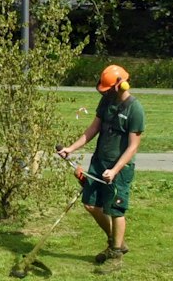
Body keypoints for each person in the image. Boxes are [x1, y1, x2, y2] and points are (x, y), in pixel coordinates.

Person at [56, 64, 144, 264]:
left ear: (120, 85)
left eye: (107, 89)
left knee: (115, 210)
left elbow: (132, 147)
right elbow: (93, 129)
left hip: (119, 169)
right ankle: (116, 242)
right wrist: (71, 148)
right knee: (90, 204)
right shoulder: (106, 101)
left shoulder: (135, 109)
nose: (104, 93)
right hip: (99, 161)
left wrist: (114, 170)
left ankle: (115, 256)